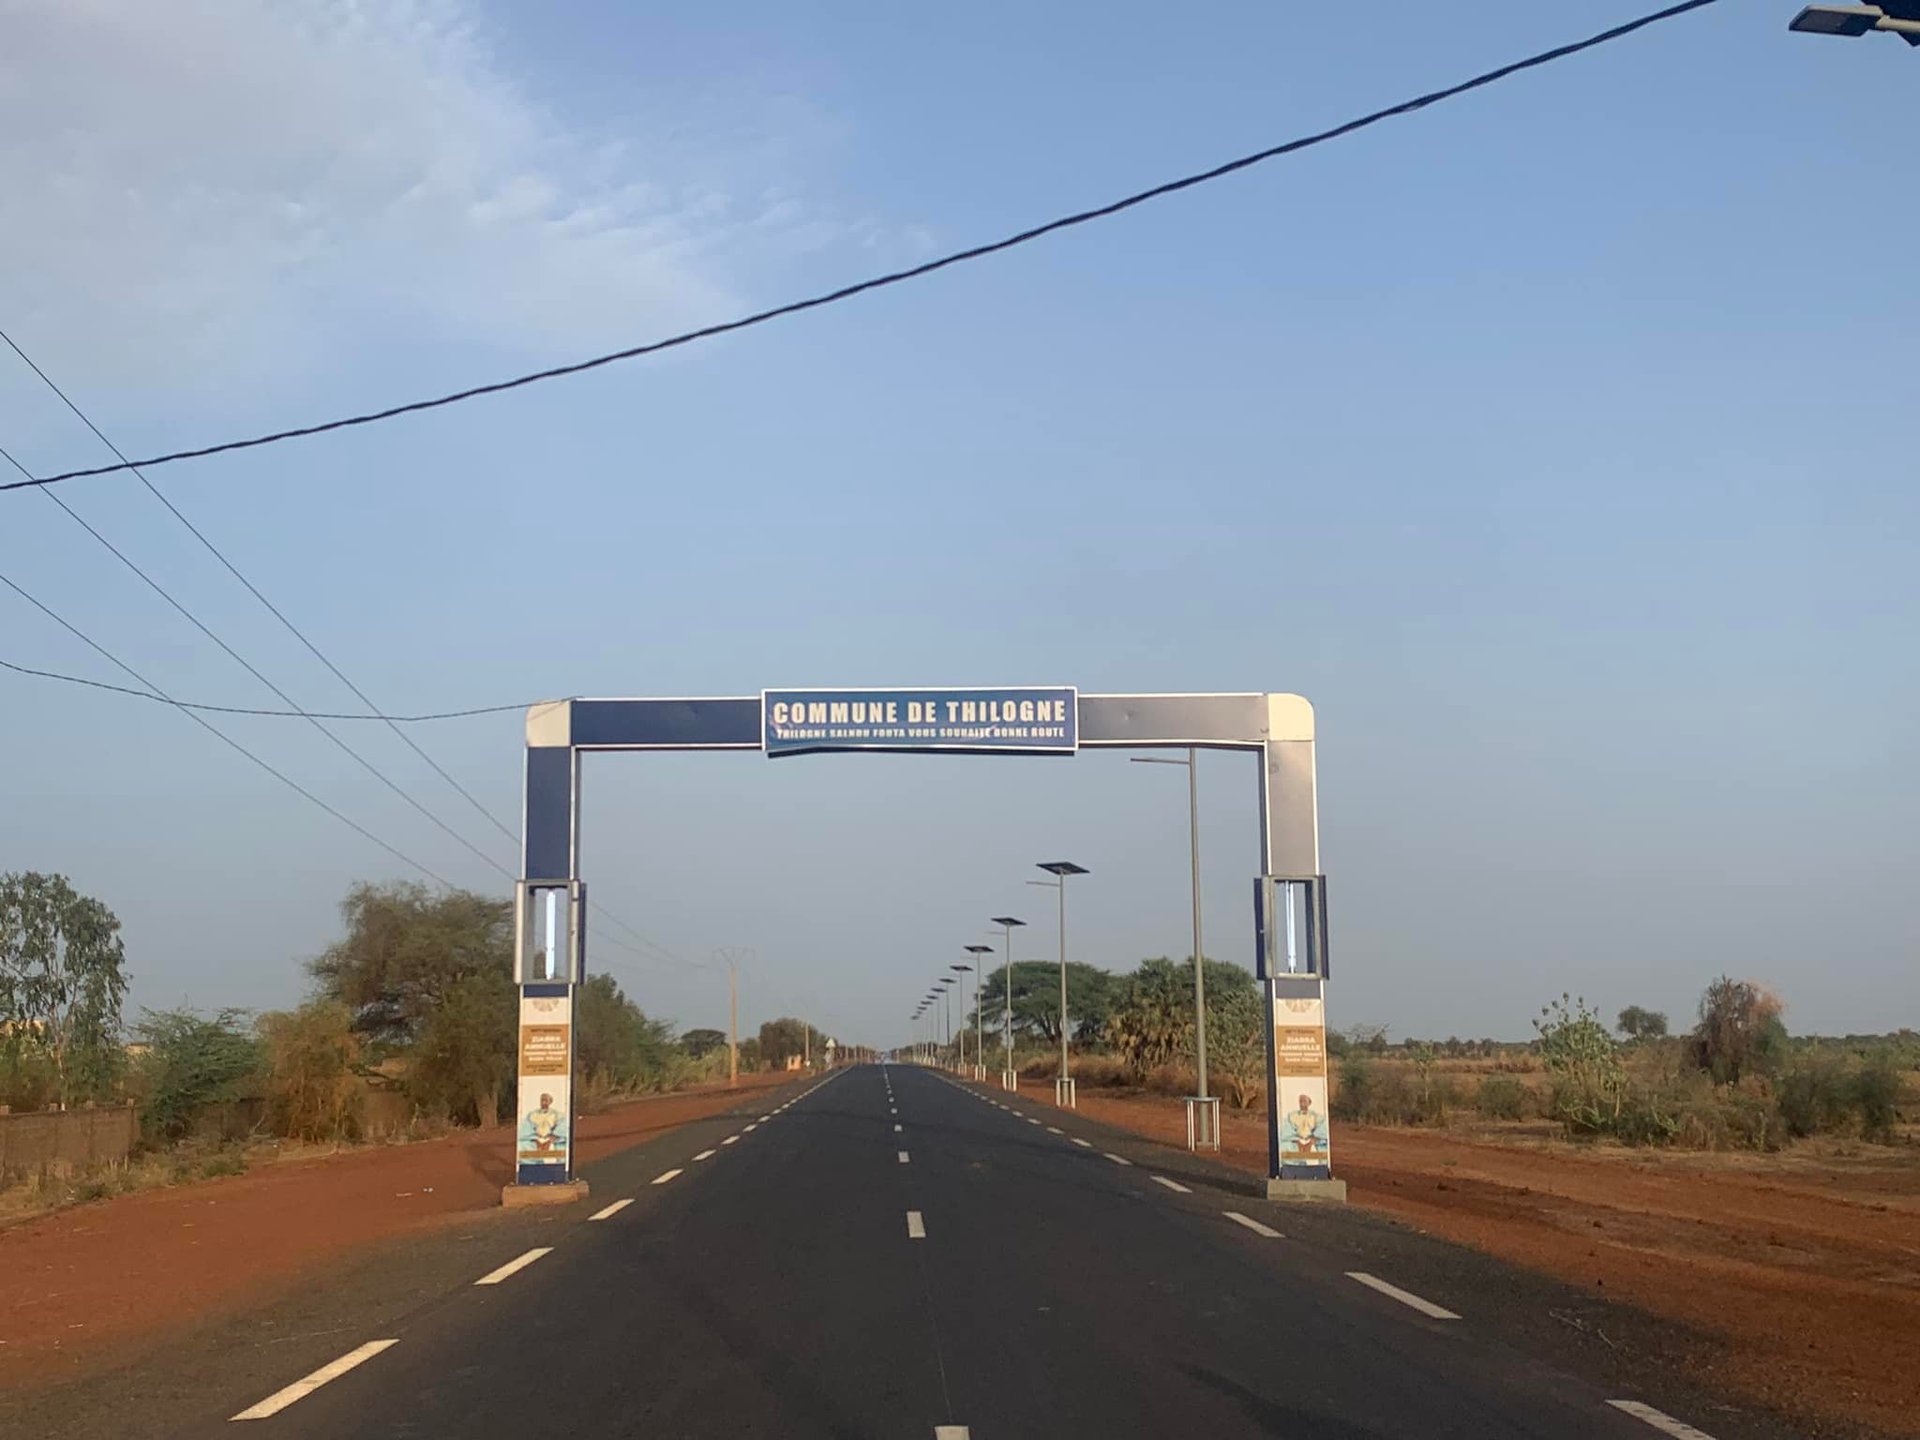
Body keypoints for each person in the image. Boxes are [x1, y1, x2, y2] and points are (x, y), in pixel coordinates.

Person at [1280, 1092, 1328, 1156]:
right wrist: (1298, 1142)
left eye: (1305, 1101)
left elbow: (1322, 1131)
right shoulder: (1291, 1115)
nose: (1302, 1104)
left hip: (1312, 1141)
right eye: (1300, 1101)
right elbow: (1287, 1131)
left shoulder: (1317, 1116)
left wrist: (1310, 1143)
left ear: (1309, 1103)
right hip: (1296, 1141)